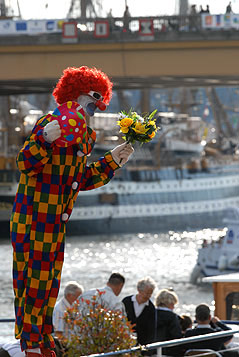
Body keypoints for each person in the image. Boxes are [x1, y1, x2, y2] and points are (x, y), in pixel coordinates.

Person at [10, 65, 134, 357]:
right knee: (32, 282)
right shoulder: (51, 122)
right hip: (34, 218)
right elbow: (25, 163)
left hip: (54, 222)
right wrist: (43, 140)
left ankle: (42, 338)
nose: (100, 104)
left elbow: (79, 180)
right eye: (96, 97)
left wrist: (112, 161)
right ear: (77, 94)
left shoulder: (82, 136)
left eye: (103, 98)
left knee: (49, 284)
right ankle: (30, 343)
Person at [122, 277, 156, 355]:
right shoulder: (126, 302)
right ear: (139, 290)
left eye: (151, 293)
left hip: (141, 346)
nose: (149, 296)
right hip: (125, 343)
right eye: (147, 293)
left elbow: (151, 331)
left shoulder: (151, 308)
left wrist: (147, 351)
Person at [154, 288, 183, 356]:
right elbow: (176, 336)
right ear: (170, 303)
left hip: (152, 350)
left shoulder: (151, 314)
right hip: (168, 352)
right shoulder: (172, 317)